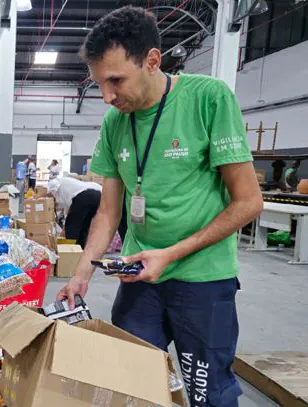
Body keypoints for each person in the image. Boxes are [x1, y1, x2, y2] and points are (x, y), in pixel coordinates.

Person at [56, 7, 263, 407]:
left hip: (203, 281)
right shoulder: (115, 123)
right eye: (99, 83)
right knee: (132, 386)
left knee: (208, 395)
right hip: (141, 282)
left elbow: (248, 201)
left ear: (152, 60)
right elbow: (108, 211)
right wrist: (82, 272)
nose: (107, 96)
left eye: (116, 80)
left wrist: (171, 254)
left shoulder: (208, 99)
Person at [46, 177, 102, 248]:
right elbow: (68, 215)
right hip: (98, 196)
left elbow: (52, 186)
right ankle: (80, 250)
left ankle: (70, 252)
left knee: (72, 228)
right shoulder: (66, 197)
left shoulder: (56, 182)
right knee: (84, 227)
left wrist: (40, 195)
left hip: (85, 195)